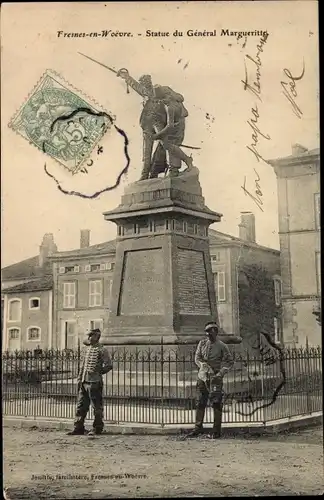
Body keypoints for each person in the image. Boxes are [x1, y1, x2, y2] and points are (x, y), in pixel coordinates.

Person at [116, 69, 193, 179]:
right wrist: (126, 76)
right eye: (144, 84)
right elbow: (135, 85)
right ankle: (144, 175)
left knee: (167, 145)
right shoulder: (144, 91)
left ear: (150, 83)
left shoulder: (162, 91)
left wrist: (168, 97)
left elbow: (179, 98)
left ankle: (184, 161)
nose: (146, 87)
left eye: (147, 83)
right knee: (146, 151)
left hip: (158, 123)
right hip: (146, 124)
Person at [188, 322, 234, 439]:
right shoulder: (202, 344)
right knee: (200, 402)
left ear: (216, 332)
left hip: (215, 379)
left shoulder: (222, 346)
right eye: (207, 332)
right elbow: (197, 357)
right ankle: (198, 428)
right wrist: (202, 365)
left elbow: (230, 361)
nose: (208, 335)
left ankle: (216, 431)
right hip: (203, 377)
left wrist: (221, 373)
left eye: (211, 332)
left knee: (216, 403)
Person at [67, 328, 112, 436]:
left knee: (96, 407)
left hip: (95, 382)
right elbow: (82, 366)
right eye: (89, 335)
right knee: (81, 406)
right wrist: (79, 379)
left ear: (97, 337)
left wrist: (98, 372)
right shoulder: (87, 350)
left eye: (91, 336)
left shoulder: (102, 350)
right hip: (84, 381)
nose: (89, 338)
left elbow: (109, 365)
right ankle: (78, 427)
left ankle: (97, 428)